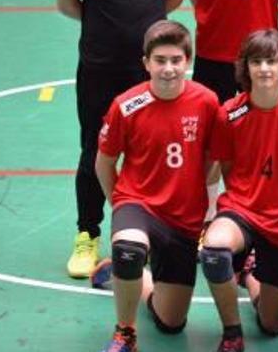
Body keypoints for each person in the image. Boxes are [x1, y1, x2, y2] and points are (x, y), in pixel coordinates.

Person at [55, 0, 187, 279]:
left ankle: (155, 230)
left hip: (149, 72)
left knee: (152, 152)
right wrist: (106, 28)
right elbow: (67, 3)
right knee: (95, 150)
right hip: (99, 68)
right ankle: (87, 233)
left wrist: (142, 42)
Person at [93, 21, 219, 352]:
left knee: (170, 324)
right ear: (146, 62)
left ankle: (126, 277)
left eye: (176, 60)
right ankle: (125, 332)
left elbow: (214, 159)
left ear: (187, 61)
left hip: (183, 218)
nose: (168, 69)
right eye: (160, 60)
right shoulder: (126, 105)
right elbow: (103, 163)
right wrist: (121, 208)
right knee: (129, 250)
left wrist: (196, 193)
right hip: (139, 205)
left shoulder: (206, 102)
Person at [200, 30, 278, 352]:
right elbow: (227, 170)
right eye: (257, 61)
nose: (265, 69)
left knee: (272, 326)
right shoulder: (231, 113)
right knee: (213, 251)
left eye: (271, 60)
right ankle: (231, 333)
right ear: (246, 67)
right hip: (242, 210)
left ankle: (250, 274)